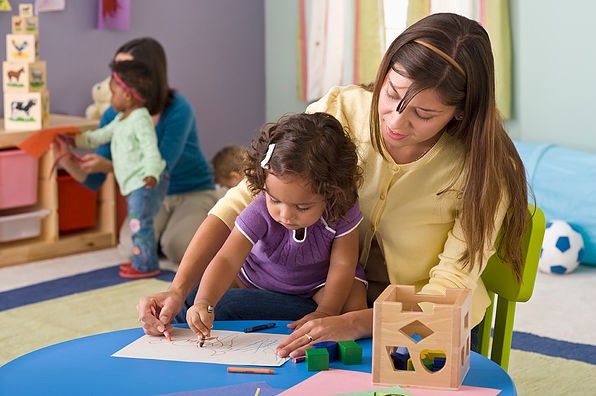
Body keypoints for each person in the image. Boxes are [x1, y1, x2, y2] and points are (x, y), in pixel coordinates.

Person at [136, 13, 530, 360]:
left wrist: (356, 323)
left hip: (423, 320)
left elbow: (447, 290)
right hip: (328, 300)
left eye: (424, 114)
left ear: (461, 111)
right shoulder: (344, 108)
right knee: (193, 303)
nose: (395, 121)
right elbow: (244, 199)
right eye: (391, 94)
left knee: (235, 313)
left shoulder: (485, 168)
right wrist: (177, 287)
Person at [187, 112, 368, 341]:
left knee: (354, 303)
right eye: (275, 200)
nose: (285, 215)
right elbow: (227, 259)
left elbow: (343, 263)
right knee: (197, 297)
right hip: (258, 278)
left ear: (331, 193)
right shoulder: (260, 209)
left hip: (319, 283)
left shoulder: (342, 207)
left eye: (302, 207)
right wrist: (204, 302)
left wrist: (326, 312)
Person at [53, 37, 221, 266]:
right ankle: (165, 236)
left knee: (179, 248)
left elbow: (160, 166)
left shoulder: (178, 109)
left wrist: (108, 166)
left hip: (190, 191)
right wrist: (66, 158)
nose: (117, 79)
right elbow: (93, 180)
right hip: (151, 197)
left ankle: (216, 209)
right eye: (116, 70)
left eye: (126, 70)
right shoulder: (114, 116)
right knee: (131, 248)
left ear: (147, 77)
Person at [58, 60, 168, 278]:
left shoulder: (140, 119)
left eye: (113, 93)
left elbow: (151, 149)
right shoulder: (120, 120)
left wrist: (151, 173)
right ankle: (141, 260)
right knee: (138, 222)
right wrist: (76, 140)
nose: (110, 99)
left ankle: (145, 265)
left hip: (146, 180)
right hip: (135, 182)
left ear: (127, 95)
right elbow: (99, 136)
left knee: (140, 223)